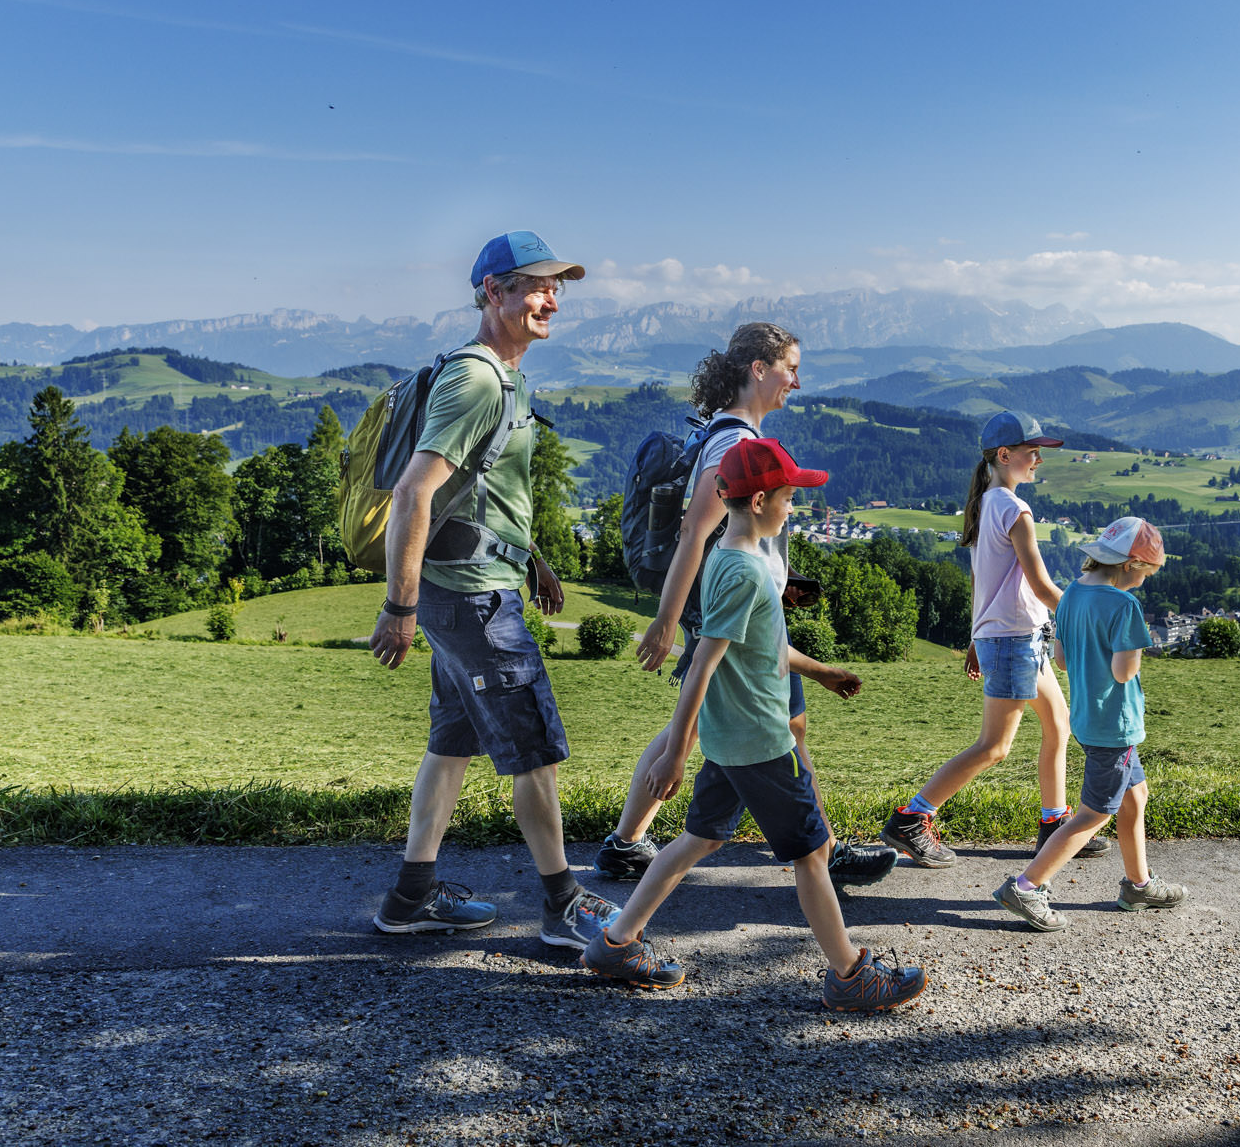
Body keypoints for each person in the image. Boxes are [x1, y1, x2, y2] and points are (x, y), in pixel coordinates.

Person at [582, 438, 929, 1011]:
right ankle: (850, 975)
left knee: (700, 838)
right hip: (763, 743)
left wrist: (821, 672)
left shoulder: (729, 556)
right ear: (761, 500)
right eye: (789, 497)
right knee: (812, 854)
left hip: (730, 740)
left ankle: (616, 942)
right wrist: (673, 751)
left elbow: (761, 646)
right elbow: (702, 662)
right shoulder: (745, 570)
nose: (794, 507)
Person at [367, 230, 618, 948]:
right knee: (533, 748)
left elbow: (484, 487)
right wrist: (398, 607)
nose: (551, 301)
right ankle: (563, 905)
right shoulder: (478, 379)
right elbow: (415, 492)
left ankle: (411, 897)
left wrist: (531, 556)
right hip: (475, 601)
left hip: (473, 586)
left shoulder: (502, 375)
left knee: (451, 743)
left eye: (556, 289)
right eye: (536, 287)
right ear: (492, 292)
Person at [593, 323, 895, 886]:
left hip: (739, 599)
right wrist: (665, 621)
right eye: (790, 369)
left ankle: (626, 843)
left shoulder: (729, 432)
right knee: (767, 724)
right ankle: (822, 852)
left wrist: (781, 580)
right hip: (727, 605)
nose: (796, 382)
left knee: (732, 723)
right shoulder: (733, 443)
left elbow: (730, 532)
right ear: (759, 369)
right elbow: (694, 530)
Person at [879, 411, 1111, 867]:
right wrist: (1090, 615)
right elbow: (1041, 585)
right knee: (995, 746)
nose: (1038, 459)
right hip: (1013, 641)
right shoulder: (1014, 509)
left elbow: (983, 582)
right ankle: (911, 819)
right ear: (1005, 455)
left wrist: (975, 637)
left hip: (1019, 637)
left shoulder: (986, 502)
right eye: (1032, 451)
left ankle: (1054, 823)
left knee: (1058, 725)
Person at [992, 516, 1189, 930]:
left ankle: (1139, 885)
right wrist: (1133, 650)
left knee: (1135, 797)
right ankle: (1026, 887)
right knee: (1093, 815)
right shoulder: (1125, 606)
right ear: (1131, 565)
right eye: (1146, 573)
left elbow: (1062, 660)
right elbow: (1123, 672)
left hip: (1087, 719)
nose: (1144, 582)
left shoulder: (1071, 596)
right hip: (1115, 726)